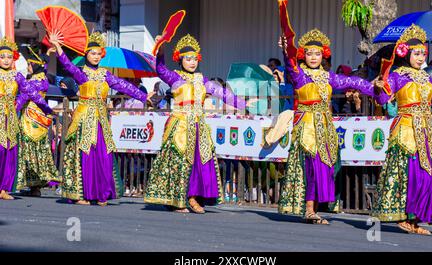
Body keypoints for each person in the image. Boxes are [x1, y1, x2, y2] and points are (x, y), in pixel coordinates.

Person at [277, 29, 377, 224]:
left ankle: (314, 210)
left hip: (325, 127)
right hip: (306, 126)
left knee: (323, 168)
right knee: (310, 168)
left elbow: (352, 81)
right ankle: (308, 209)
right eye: (309, 53)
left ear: (323, 55)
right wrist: (286, 49)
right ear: (303, 55)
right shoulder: (300, 75)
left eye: (317, 53)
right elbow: (290, 65)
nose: (313, 57)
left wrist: (376, 88)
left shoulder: (329, 77)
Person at [144, 34, 251, 213]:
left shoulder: (203, 80)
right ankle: (177, 201)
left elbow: (222, 93)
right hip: (180, 125)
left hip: (198, 126)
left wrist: (243, 104)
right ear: (180, 59)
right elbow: (160, 69)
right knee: (179, 162)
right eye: (188, 58)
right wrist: (161, 49)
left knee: (200, 163)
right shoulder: (174, 77)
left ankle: (194, 198)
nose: (192, 62)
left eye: (195, 58)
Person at [48, 30, 153, 206]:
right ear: (86, 54)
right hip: (84, 120)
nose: (96, 57)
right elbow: (67, 64)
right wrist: (58, 46)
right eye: (92, 53)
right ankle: (82, 194)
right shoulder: (82, 73)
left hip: (100, 121)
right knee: (84, 156)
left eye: (98, 54)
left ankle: (100, 193)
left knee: (102, 155)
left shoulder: (105, 75)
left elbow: (123, 85)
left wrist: (144, 96)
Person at [373, 24, 432, 235]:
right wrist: (379, 87)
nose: (420, 57)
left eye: (423, 54)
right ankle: (404, 218)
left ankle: (416, 221)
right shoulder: (397, 75)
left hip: (425, 132)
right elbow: (382, 98)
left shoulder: (427, 79)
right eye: (416, 53)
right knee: (411, 175)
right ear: (406, 53)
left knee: (427, 175)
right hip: (406, 130)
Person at [0, 37, 53, 200]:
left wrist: (47, 108)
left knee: (9, 151)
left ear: (14, 58)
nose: (6, 60)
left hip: (10, 118)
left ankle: (4, 189)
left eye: (9, 57)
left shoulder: (18, 76)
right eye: (2, 56)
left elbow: (31, 93)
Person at [15, 44, 61, 196]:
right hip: (40, 119)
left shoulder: (33, 82)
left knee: (27, 150)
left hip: (30, 118)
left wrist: (12, 109)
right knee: (39, 151)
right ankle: (36, 187)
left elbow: (22, 98)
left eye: (30, 64)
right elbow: (44, 67)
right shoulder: (43, 78)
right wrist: (47, 55)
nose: (28, 66)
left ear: (35, 65)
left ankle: (28, 183)